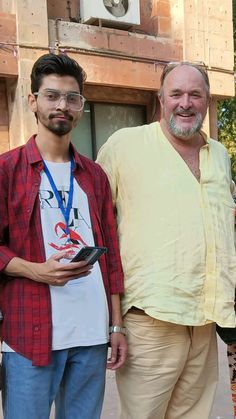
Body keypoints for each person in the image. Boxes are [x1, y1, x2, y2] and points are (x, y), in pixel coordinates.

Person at [97, 61, 236, 419]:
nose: (185, 103)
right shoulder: (125, 146)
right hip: (150, 321)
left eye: (195, 94)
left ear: (207, 101)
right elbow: (98, 227)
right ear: (161, 99)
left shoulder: (219, 156)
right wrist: (112, 320)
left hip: (205, 321)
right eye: (176, 94)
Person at [0, 53, 127, 419]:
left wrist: (115, 325)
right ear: (33, 100)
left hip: (91, 335)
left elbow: (112, 255)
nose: (63, 106)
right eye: (52, 95)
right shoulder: (8, 170)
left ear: (81, 107)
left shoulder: (94, 175)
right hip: (30, 334)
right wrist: (33, 269)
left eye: (72, 99)